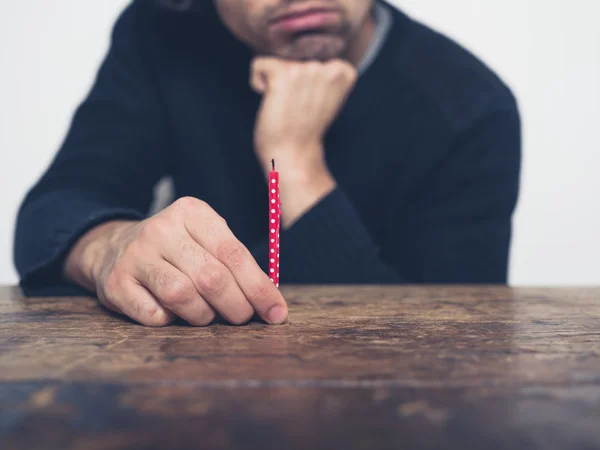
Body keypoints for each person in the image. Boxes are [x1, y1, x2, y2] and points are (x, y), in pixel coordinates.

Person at [13, 0, 521, 327]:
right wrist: (110, 248)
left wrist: (294, 159)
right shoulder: (160, 34)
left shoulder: (470, 106)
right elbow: (52, 212)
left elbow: (450, 350)